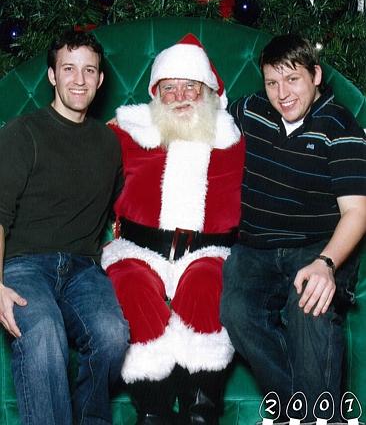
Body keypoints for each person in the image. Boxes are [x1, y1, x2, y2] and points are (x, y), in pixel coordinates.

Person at [220, 34, 366, 423]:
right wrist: (134, 123)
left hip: (318, 245)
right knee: (235, 309)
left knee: (309, 308)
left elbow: (357, 212)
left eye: (293, 80)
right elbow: (199, 114)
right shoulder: (250, 110)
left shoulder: (341, 127)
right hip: (256, 247)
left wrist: (326, 265)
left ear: (315, 75)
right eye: (272, 82)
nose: (282, 94)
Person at [101, 33, 245, 424]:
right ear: (155, 94)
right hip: (138, 248)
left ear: (208, 91)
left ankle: (202, 406)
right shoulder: (127, 133)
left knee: (205, 283)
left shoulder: (233, 139)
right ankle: (154, 407)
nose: (180, 96)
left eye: (190, 87)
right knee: (130, 284)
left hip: (207, 250)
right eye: (169, 88)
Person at [0, 30, 129, 425]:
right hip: (24, 266)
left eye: (89, 70)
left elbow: (132, 202)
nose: (79, 79)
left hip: (83, 269)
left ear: (100, 79)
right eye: (68, 69)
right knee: (42, 332)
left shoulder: (111, 144)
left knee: (112, 335)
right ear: (52, 76)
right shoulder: (24, 133)